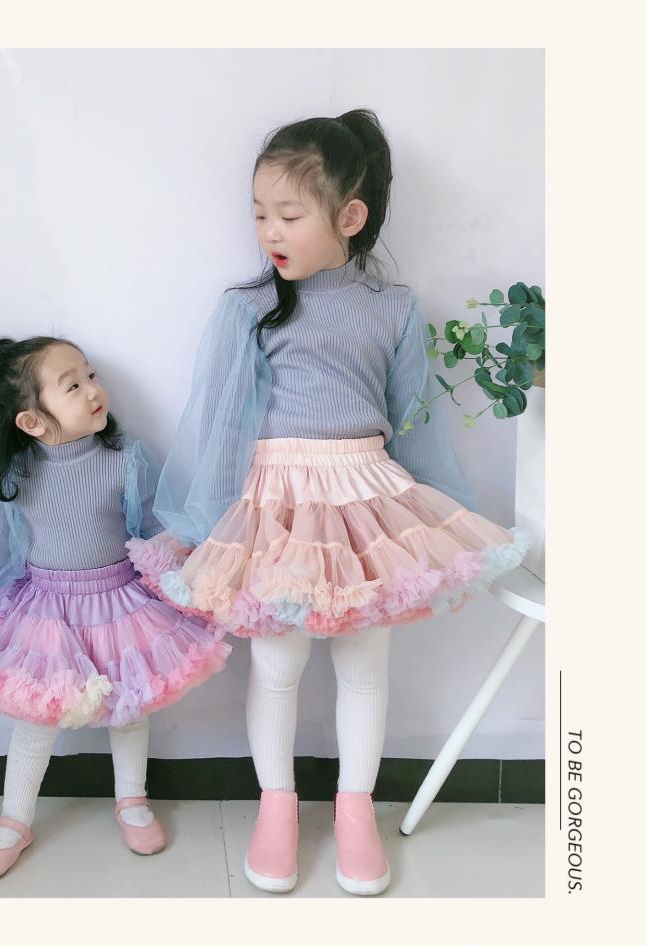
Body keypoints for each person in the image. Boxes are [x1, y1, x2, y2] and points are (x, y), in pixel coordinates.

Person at [128, 109, 527, 895]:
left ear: (349, 217)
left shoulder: (393, 308)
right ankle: (277, 806)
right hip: (276, 502)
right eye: (259, 214)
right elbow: (219, 428)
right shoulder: (247, 309)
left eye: (288, 214)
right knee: (277, 659)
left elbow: (414, 422)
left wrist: (439, 519)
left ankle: (354, 809)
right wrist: (207, 530)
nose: (268, 231)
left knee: (364, 659)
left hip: (365, 498)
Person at [0, 335, 230, 880]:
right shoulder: (14, 474)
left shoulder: (125, 459)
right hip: (45, 612)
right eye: (72, 385)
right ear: (31, 421)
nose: (92, 390)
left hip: (120, 604)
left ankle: (132, 799)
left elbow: (157, 524)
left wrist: (187, 572)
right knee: (35, 719)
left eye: (90, 376)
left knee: (130, 709)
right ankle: (15, 818)